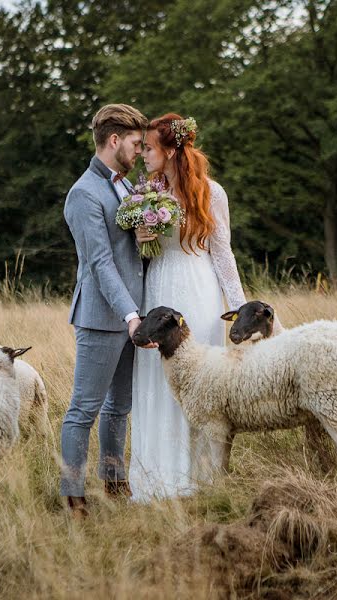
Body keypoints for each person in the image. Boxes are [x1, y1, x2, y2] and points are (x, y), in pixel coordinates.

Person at [130, 113, 248, 502]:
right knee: (156, 379)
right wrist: (139, 238)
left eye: (148, 147)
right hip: (157, 288)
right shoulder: (146, 191)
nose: (143, 154)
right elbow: (139, 254)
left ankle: (198, 479)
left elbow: (223, 255)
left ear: (169, 149)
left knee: (199, 383)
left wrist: (241, 308)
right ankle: (156, 479)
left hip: (198, 289)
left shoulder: (212, 193)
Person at [60, 104, 155, 518]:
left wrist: (145, 237)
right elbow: (99, 264)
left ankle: (115, 484)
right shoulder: (83, 194)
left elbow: (127, 251)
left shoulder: (125, 186)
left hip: (132, 314)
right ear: (114, 141)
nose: (140, 151)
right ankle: (72, 497)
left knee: (120, 407)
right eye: (136, 144)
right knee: (84, 409)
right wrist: (130, 316)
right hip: (102, 317)